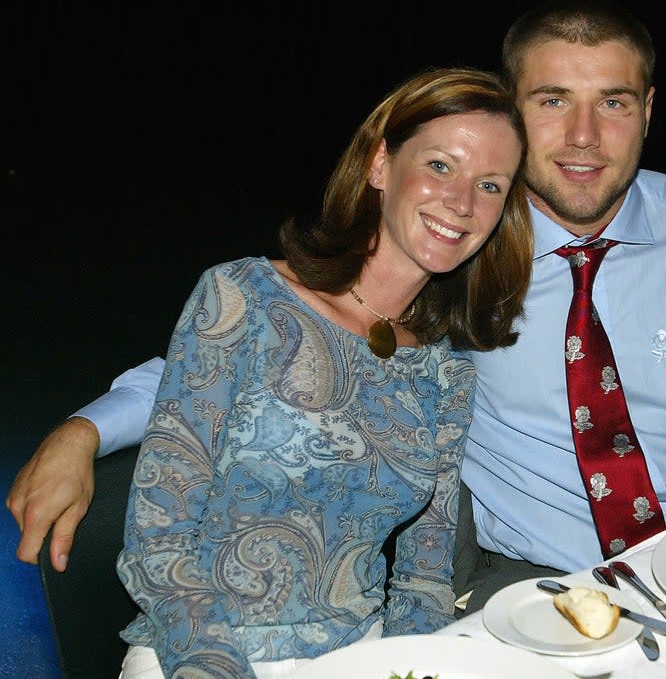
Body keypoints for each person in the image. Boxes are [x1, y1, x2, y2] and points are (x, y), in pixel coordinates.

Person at [8, 0, 666, 615]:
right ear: (508, 107)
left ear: (651, 109)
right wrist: (85, 428)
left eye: (614, 103)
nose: (584, 138)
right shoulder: (460, 252)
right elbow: (270, 334)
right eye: (551, 101)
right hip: (539, 589)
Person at [107, 67, 532, 678]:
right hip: (196, 647)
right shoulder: (243, 297)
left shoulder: (446, 371)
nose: (462, 203)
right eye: (440, 166)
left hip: (361, 652)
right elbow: (158, 539)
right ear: (381, 165)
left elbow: (423, 577)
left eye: (490, 185)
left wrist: (411, 667)